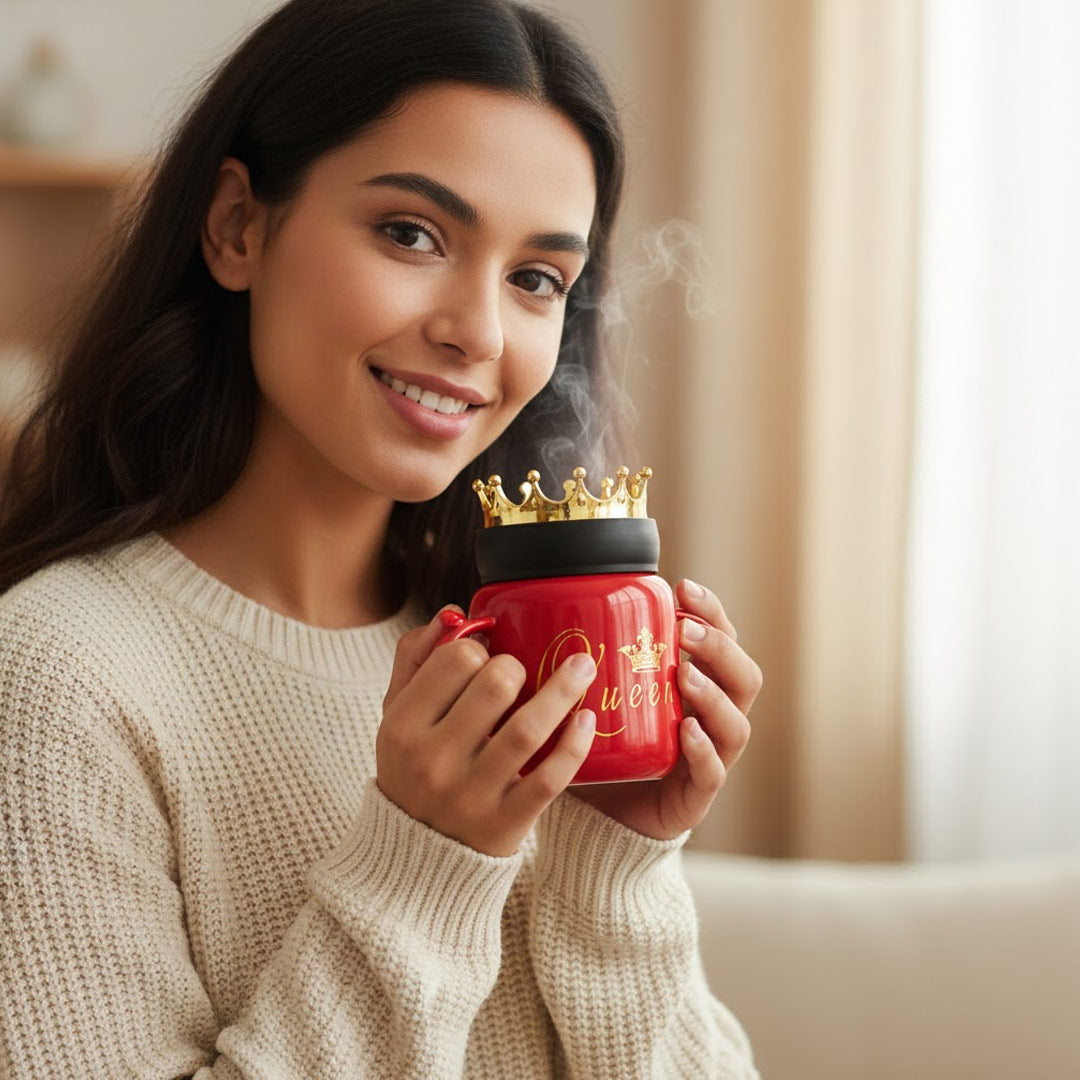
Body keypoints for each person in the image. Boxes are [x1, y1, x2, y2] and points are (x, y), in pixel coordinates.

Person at [0, 0, 763, 1076]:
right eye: (412, 234)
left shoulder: (516, 665)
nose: (480, 332)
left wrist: (616, 864)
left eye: (536, 278)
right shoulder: (57, 680)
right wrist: (424, 863)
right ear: (236, 228)